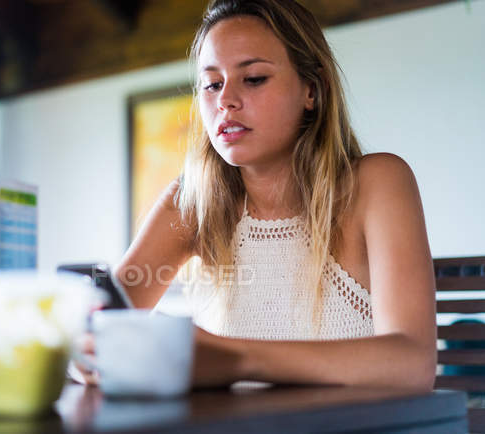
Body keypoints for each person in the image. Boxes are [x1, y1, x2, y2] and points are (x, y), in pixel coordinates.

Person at [77, 0, 436, 390]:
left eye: (253, 79)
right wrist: (84, 353)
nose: (226, 100)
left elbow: (412, 364)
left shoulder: (376, 183)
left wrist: (235, 358)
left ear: (311, 91)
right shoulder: (191, 202)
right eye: (212, 84)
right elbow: (95, 331)